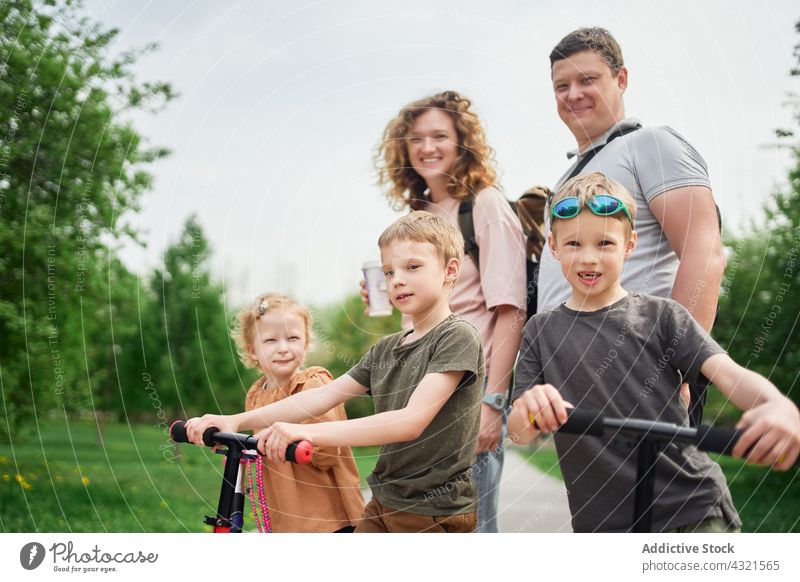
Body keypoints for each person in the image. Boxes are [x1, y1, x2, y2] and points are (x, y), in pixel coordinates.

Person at [508, 172, 800, 533]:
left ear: (629, 245)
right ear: (553, 246)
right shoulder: (540, 331)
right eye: (573, 244)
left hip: (689, 509)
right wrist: (530, 408)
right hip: (603, 525)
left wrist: (778, 405)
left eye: (604, 243)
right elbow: (519, 433)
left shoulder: (663, 317)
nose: (588, 259)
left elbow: (729, 374)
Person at [186, 212, 485, 533]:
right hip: (385, 499)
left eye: (412, 267)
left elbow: (409, 422)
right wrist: (236, 421)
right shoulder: (385, 349)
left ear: (450, 270)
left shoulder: (457, 337)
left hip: (432, 510)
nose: (396, 279)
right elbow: (324, 395)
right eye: (388, 271)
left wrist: (309, 433)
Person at [539, 28, 728, 416]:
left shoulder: (652, 144)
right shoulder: (572, 178)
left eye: (587, 79)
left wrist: (678, 366)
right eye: (562, 85)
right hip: (581, 384)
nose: (573, 94)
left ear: (621, 79)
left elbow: (704, 252)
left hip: (643, 375)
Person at [371, 90, 527, 532]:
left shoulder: (484, 206)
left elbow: (511, 310)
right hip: (417, 401)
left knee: (470, 534)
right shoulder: (419, 215)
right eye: (416, 138)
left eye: (440, 135)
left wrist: (493, 403)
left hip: (467, 401)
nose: (427, 147)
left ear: (463, 143)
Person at [230, 293, 363, 532]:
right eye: (270, 340)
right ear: (252, 350)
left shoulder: (312, 384)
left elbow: (328, 452)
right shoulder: (255, 394)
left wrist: (295, 437)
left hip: (327, 519)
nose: (283, 348)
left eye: (292, 338)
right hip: (285, 515)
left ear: (306, 342)